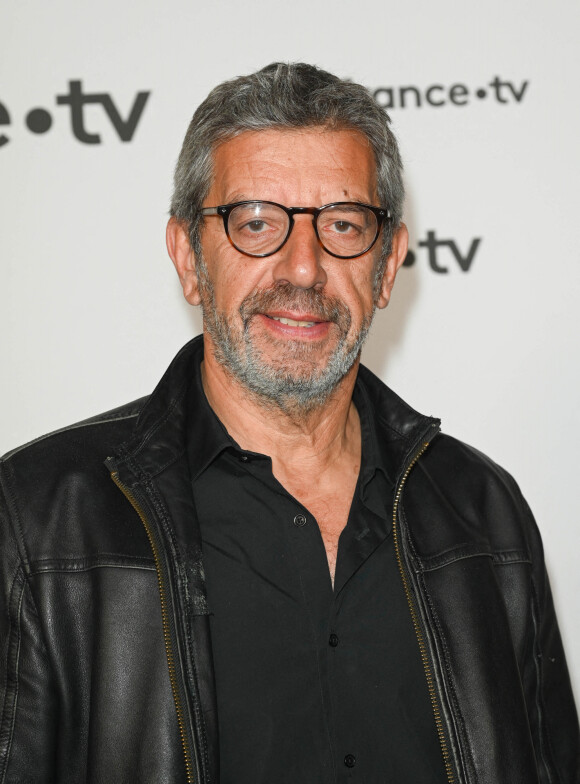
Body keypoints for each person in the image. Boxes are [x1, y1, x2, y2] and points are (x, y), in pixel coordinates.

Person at [0, 62, 578, 784]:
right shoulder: (37, 518)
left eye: (342, 225)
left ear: (389, 265)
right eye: (256, 224)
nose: (302, 269)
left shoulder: (486, 515)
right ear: (188, 257)